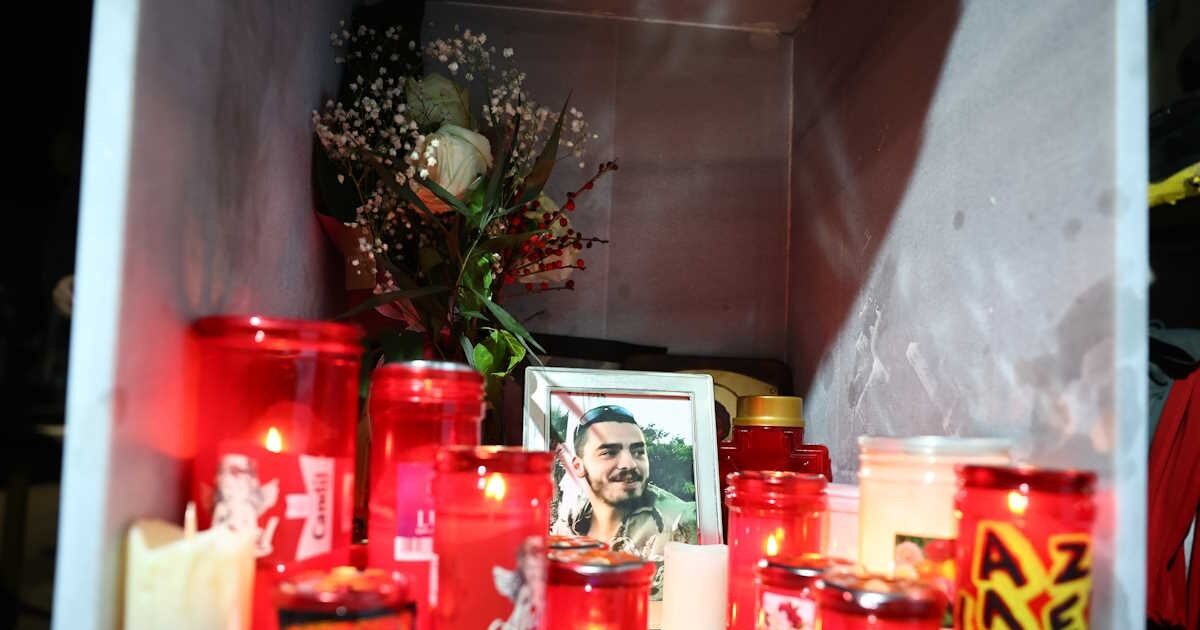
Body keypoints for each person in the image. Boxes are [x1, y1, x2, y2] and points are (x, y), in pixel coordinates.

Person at [551, 404, 697, 596]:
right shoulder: (566, 527)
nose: (629, 464)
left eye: (638, 452)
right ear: (578, 466)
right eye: (609, 452)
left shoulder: (682, 522)